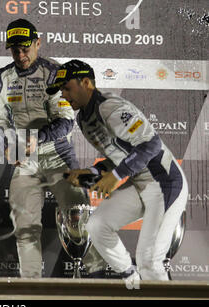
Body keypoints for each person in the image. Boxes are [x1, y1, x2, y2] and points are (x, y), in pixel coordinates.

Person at [46, 59, 188, 281]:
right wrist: (91, 173)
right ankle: (134, 283)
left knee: (149, 260)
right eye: (61, 90)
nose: (63, 95)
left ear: (86, 82)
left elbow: (150, 144)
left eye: (67, 87)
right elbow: (118, 157)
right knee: (97, 225)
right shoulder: (83, 118)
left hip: (165, 182)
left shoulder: (110, 107)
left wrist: (115, 177)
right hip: (141, 185)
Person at [0, 19, 105, 278]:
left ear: (37, 43)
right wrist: (7, 145)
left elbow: (66, 121)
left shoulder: (55, 72)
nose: (21, 55)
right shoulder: (1, 78)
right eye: (14, 50)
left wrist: (37, 138)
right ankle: (31, 288)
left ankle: (98, 279)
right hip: (24, 161)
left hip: (58, 155)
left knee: (79, 220)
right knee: (25, 227)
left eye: (26, 48)